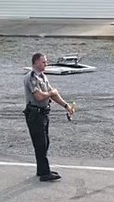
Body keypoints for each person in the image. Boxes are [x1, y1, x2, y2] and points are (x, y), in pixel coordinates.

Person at [23, 52, 75, 182]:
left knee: (45, 143)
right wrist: (51, 92)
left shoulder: (43, 77)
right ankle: (45, 173)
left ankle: (42, 169)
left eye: (46, 62)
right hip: (35, 114)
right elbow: (39, 96)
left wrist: (66, 105)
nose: (46, 64)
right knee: (41, 143)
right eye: (43, 62)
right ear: (35, 62)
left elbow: (53, 95)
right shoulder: (31, 77)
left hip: (43, 113)